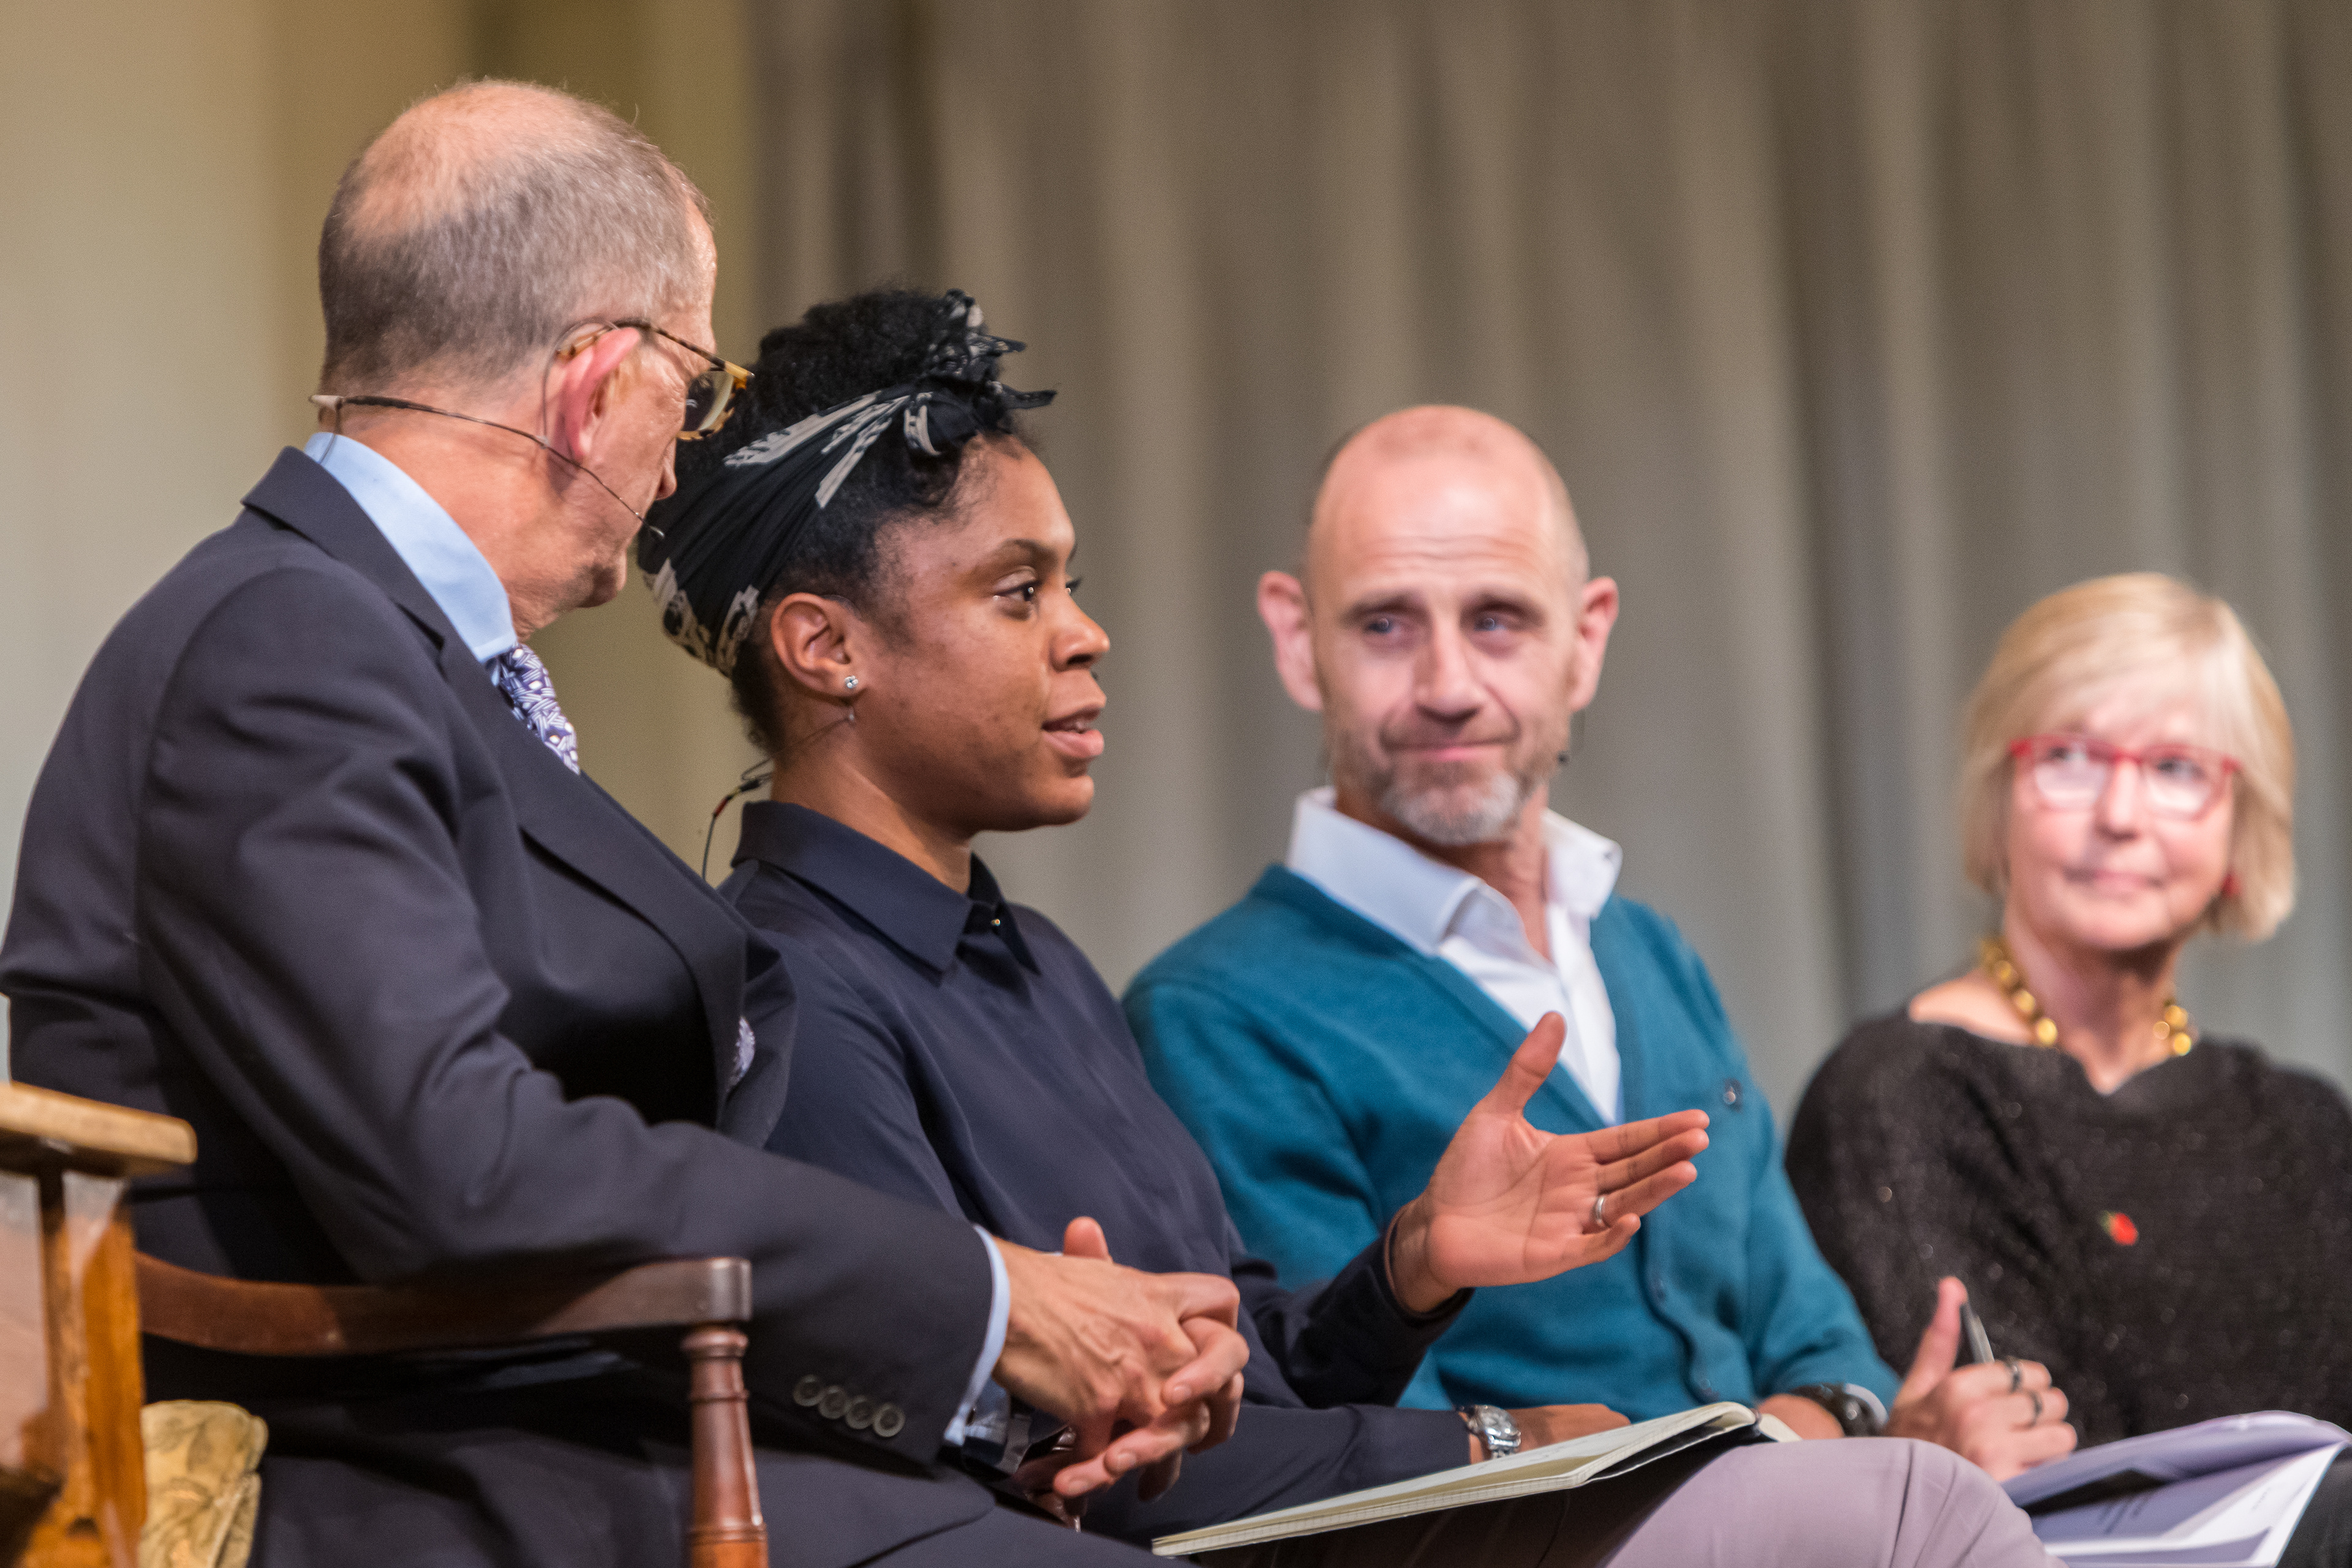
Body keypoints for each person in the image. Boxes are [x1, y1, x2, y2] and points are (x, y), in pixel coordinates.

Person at [0, 83, 1252, 1568]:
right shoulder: (288, 641)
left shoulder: (390, 648)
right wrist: (992, 1303)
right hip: (391, 1455)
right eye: (699, 391)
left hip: (584, 1410)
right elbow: (462, 1165)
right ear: (599, 385)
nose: (684, 456)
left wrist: (987, 1389)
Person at [643, 290, 2064, 1566]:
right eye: (1022, 592)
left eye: (1072, 582)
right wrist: (1509, 1442)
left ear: (1590, 635)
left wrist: (1416, 1264)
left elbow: (1254, 1366)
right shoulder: (796, 992)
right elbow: (1011, 1464)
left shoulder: (1034, 962)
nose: (1088, 633)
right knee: (1919, 1516)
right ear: (826, 648)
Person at [1127, 406, 2073, 1483]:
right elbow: (1370, 1468)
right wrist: (1823, 1455)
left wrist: (1827, 1444)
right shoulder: (1216, 1016)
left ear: (1587, 638)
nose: (1446, 685)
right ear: (1299, 641)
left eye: (1498, 621)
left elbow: (1828, 1352)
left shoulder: (1648, 952)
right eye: (1386, 624)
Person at [1785, 573, 2352, 1444]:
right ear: (1998, 798)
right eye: (2071, 759)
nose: (2120, 814)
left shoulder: (2307, 1125)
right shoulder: (1901, 1096)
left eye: (2175, 769)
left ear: (2243, 828)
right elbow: (2044, 1483)